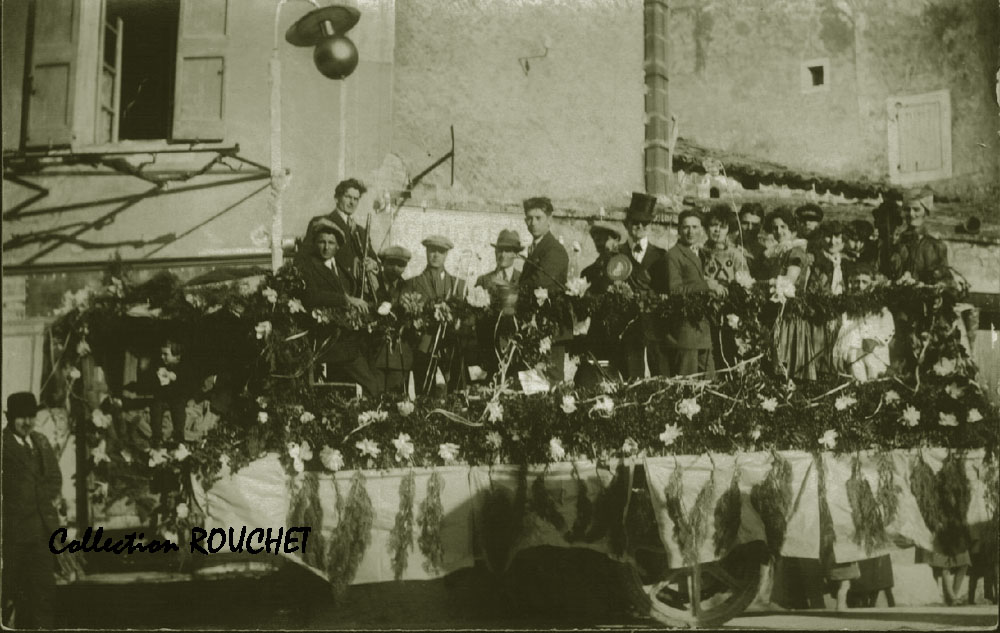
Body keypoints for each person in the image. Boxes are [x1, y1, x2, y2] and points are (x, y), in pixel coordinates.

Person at [294, 219, 379, 396]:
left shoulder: (341, 268)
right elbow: (312, 296)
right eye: (321, 242)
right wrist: (346, 299)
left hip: (351, 338)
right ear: (315, 244)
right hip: (331, 342)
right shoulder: (307, 267)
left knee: (345, 391)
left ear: (338, 246)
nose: (326, 247)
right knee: (371, 386)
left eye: (331, 243)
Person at [2, 392, 61, 629]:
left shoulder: (40, 441)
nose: (27, 422)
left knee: (43, 594)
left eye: (31, 417)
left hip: (42, 533)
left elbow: (55, 478)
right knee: (11, 593)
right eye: (21, 417)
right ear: (9, 417)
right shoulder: (4, 445)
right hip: (14, 535)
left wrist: (41, 498)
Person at [404, 235, 468, 394]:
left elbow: (465, 318)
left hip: (452, 346)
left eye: (441, 251)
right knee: (424, 391)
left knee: (456, 392)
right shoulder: (413, 283)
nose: (436, 255)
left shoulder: (458, 284)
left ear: (446, 254)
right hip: (424, 346)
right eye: (432, 250)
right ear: (426, 252)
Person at [664, 210, 721, 377]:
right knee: (687, 379)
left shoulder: (701, 253)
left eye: (695, 227)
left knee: (710, 379)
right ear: (679, 230)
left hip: (703, 328)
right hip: (686, 331)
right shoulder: (673, 255)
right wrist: (706, 285)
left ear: (702, 229)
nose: (690, 232)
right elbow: (674, 290)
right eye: (686, 227)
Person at [619, 192, 669, 379]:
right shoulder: (617, 254)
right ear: (626, 224)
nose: (640, 226)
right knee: (632, 377)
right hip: (627, 326)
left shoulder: (661, 255)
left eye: (645, 223)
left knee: (659, 376)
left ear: (650, 225)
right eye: (635, 222)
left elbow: (665, 290)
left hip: (655, 328)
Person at [763, 207, 816, 380]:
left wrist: (761, 284)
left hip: (790, 315)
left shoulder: (796, 252)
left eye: (783, 227)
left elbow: (788, 280)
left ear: (792, 228)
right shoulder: (781, 252)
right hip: (779, 311)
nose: (778, 231)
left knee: (788, 364)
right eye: (775, 228)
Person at [307, 177, 379, 301]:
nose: (352, 202)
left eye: (356, 199)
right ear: (337, 198)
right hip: (334, 292)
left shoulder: (361, 231)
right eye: (348, 197)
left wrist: (373, 264)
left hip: (360, 295)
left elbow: (373, 258)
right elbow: (307, 258)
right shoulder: (322, 222)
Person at [702, 204, 749, 368]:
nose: (717, 230)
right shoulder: (700, 253)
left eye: (722, 227)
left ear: (728, 229)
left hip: (729, 312)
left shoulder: (736, 255)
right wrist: (709, 283)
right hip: (705, 310)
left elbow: (745, 282)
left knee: (728, 352)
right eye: (713, 225)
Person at [833, 263, 894, 382]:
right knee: (853, 358)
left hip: (875, 353)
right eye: (857, 282)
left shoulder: (880, 307)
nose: (860, 286)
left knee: (872, 366)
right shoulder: (849, 308)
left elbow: (889, 328)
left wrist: (876, 341)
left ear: (871, 284)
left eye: (864, 282)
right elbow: (845, 331)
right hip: (856, 354)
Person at [475, 230, 523, 379]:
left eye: (507, 250)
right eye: (499, 250)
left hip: (516, 350)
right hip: (490, 350)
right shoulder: (484, 281)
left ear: (515, 254)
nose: (502, 255)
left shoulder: (523, 280)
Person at [372, 245, 414, 394]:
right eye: (391, 263)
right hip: (375, 354)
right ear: (382, 263)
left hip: (399, 357)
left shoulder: (409, 287)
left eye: (400, 265)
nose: (395, 268)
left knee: (397, 400)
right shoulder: (371, 282)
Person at [889, 188, 951, 284]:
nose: (911, 214)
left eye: (916, 209)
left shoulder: (936, 246)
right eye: (907, 209)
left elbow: (945, 281)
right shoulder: (897, 242)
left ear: (926, 212)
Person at [519, 197, 569, 292]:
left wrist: (510, 289)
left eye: (538, 218)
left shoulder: (555, 250)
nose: (533, 223)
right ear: (525, 221)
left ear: (549, 220)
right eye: (529, 218)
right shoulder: (535, 247)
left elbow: (537, 283)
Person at [580, 222, 623, 296]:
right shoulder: (588, 272)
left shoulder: (624, 265)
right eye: (595, 237)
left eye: (604, 237)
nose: (598, 242)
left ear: (615, 239)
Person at [739, 202, 770, 279]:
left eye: (755, 225)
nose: (750, 228)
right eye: (745, 223)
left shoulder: (764, 250)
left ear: (761, 226)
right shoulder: (729, 244)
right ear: (739, 222)